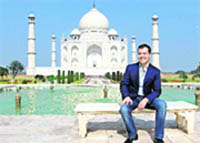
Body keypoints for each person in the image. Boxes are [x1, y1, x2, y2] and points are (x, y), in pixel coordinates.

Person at [120, 44, 166, 143]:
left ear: (149, 55)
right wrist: (126, 96)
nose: (142, 56)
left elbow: (158, 90)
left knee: (162, 104)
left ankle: (158, 137)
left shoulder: (155, 71)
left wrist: (147, 99)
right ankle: (132, 134)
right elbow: (124, 84)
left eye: (144, 53)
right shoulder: (131, 68)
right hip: (133, 98)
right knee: (123, 109)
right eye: (140, 53)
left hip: (148, 99)